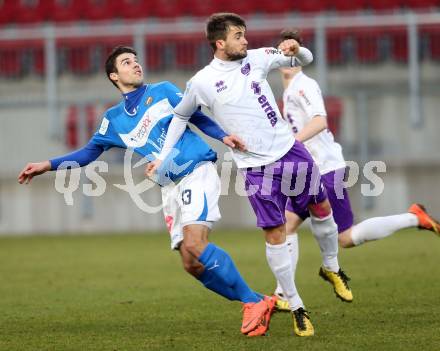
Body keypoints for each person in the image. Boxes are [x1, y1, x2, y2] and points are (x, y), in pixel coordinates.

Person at [17, 45, 275, 337]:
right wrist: (46, 165)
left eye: (137, 60)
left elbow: (195, 116)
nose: (136, 65)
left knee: (195, 244)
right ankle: (256, 300)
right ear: (114, 76)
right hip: (169, 187)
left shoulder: (163, 90)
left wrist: (222, 135)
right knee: (190, 263)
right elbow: (89, 153)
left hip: (195, 172)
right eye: (128, 62)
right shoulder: (113, 120)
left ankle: (253, 302)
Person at [147, 13, 354, 337]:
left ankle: (331, 267)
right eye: (238, 35)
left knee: (322, 208)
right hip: (254, 168)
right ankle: (297, 305)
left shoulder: (258, 58)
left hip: (289, 151)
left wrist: (296, 49)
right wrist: (162, 158)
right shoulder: (200, 82)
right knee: (275, 234)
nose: (245, 40)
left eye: (244, 34)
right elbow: (179, 118)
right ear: (220, 43)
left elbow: (306, 58)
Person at [272, 28, 440, 303]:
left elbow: (320, 121)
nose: (286, 56)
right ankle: (282, 294)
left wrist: (291, 144)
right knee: (286, 226)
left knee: (346, 238)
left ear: (300, 56)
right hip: (308, 171)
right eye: (282, 52)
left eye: (291, 51)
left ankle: (414, 217)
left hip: (325, 169)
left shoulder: (304, 85)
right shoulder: (290, 90)